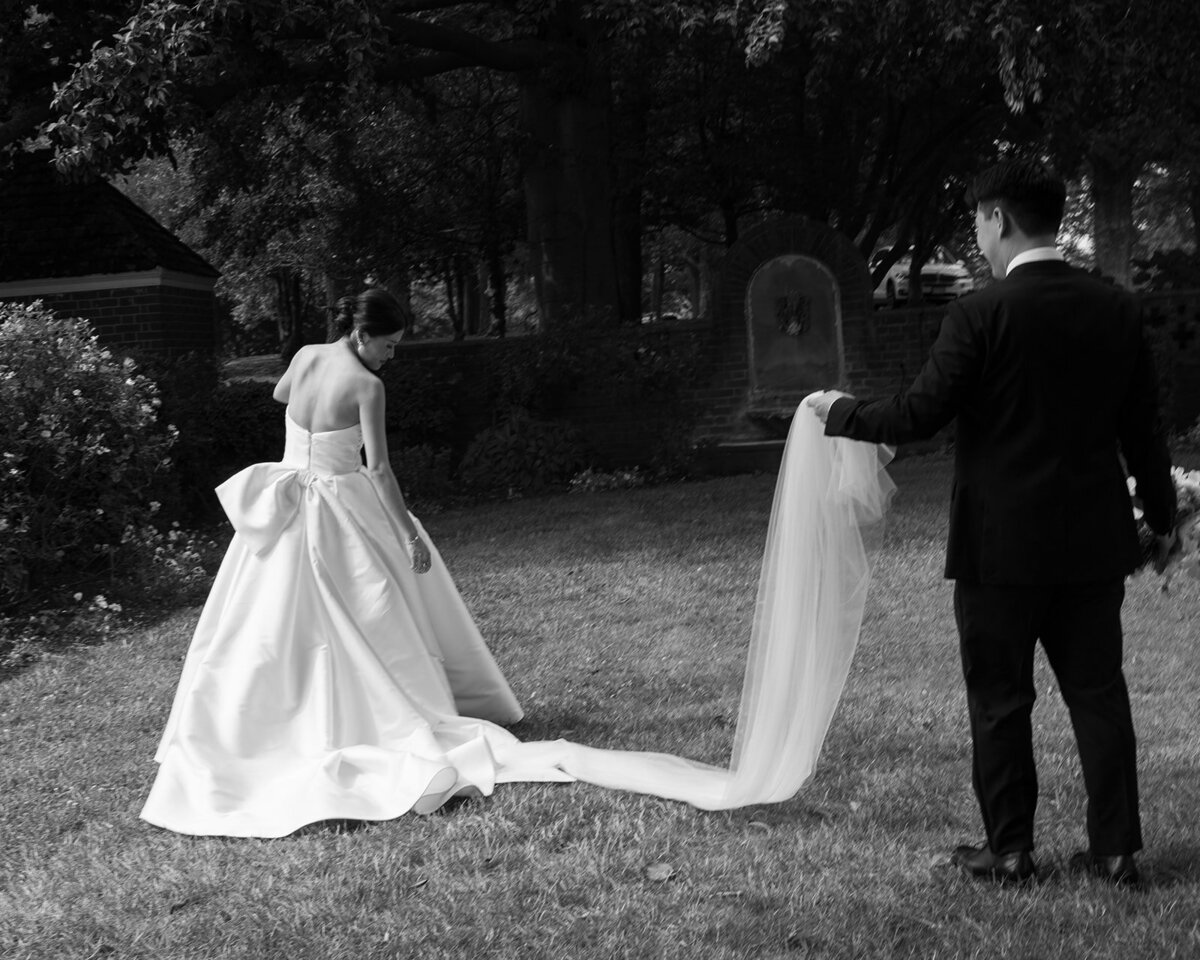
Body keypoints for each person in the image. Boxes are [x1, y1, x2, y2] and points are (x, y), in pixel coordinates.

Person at [807, 159, 1177, 887]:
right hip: (1094, 544)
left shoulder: (981, 313)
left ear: (998, 219)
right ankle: (1117, 851)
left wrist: (839, 411)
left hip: (998, 549)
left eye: (978, 219)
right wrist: (1161, 521)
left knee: (1001, 699)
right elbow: (1145, 433)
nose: (979, 233)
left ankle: (1010, 850)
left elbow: (919, 413)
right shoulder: (1116, 307)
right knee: (1099, 692)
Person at [140, 287, 561, 837]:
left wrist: (307, 438)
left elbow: (280, 395)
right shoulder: (367, 385)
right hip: (341, 504)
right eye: (388, 344)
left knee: (262, 622)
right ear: (361, 335)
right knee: (373, 609)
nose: (392, 355)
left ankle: (252, 725)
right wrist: (407, 533)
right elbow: (380, 471)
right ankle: (375, 716)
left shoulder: (306, 356)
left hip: (287, 502)